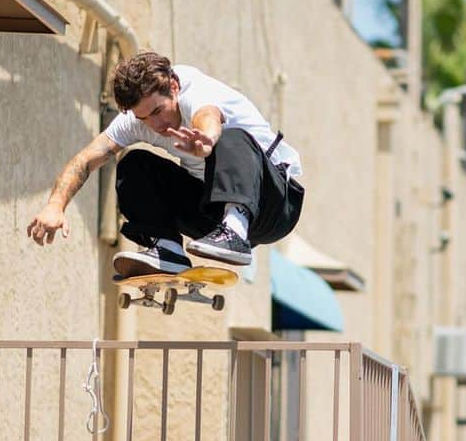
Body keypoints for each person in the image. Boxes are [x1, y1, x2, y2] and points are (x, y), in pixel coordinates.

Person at [27, 51, 303, 276]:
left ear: (173, 87)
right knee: (134, 164)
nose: (155, 125)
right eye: (144, 118)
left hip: (273, 204)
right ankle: (168, 249)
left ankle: (235, 230)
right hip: (211, 212)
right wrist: (55, 205)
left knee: (230, 136)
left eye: (158, 111)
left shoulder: (197, 91)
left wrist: (205, 140)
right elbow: (85, 160)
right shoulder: (137, 121)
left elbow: (208, 116)